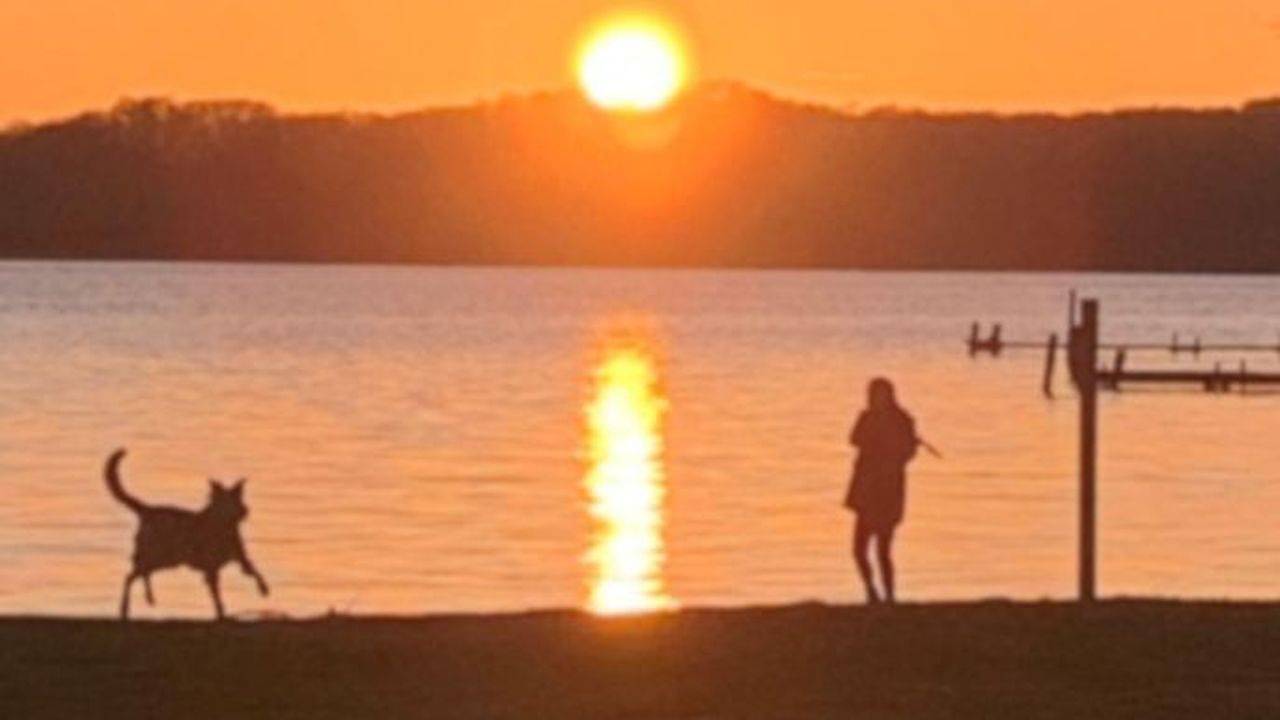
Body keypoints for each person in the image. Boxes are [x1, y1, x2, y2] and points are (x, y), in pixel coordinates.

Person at [844, 377, 918, 605]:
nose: (877, 399)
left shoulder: (902, 420)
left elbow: (908, 453)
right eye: (874, 394)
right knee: (859, 549)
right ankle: (870, 590)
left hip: (888, 491)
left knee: (883, 549)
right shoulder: (867, 418)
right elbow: (854, 439)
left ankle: (889, 596)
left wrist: (900, 446)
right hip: (865, 491)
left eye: (881, 394)